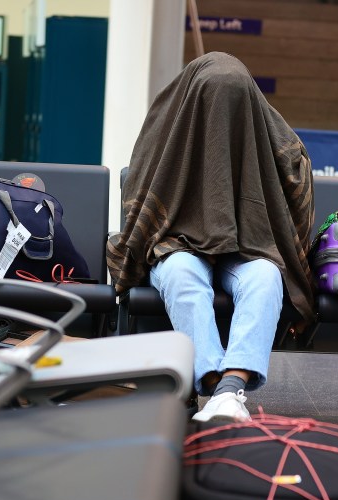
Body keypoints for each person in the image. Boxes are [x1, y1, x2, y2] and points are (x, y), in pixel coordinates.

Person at [107, 52, 315, 422]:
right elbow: (140, 207)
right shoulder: (164, 129)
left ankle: (229, 388)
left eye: (234, 107)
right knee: (182, 275)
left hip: (249, 244)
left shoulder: (268, 133)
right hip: (177, 241)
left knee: (267, 278)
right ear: (195, 101)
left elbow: (295, 187)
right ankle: (219, 386)